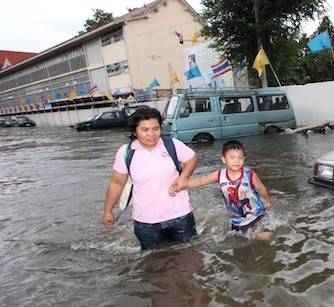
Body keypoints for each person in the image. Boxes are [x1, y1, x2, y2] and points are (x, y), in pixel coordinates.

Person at [102, 107, 199, 250]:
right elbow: (117, 183)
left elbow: (192, 158)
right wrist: (108, 211)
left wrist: (183, 177)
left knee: (190, 258)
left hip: (180, 216)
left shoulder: (171, 144)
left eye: (156, 129)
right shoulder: (126, 152)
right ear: (135, 132)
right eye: (145, 130)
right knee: (154, 265)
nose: (151, 134)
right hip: (145, 223)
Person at [170, 140, 274, 241]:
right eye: (232, 157)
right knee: (241, 244)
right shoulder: (219, 175)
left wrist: (268, 202)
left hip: (257, 214)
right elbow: (200, 181)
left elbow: (261, 188)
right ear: (224, 159)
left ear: (244, 159)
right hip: (237, 220)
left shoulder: (249, 174)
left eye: (240, 157)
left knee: (265, 236)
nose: (236, 161)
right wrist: (182, 184)